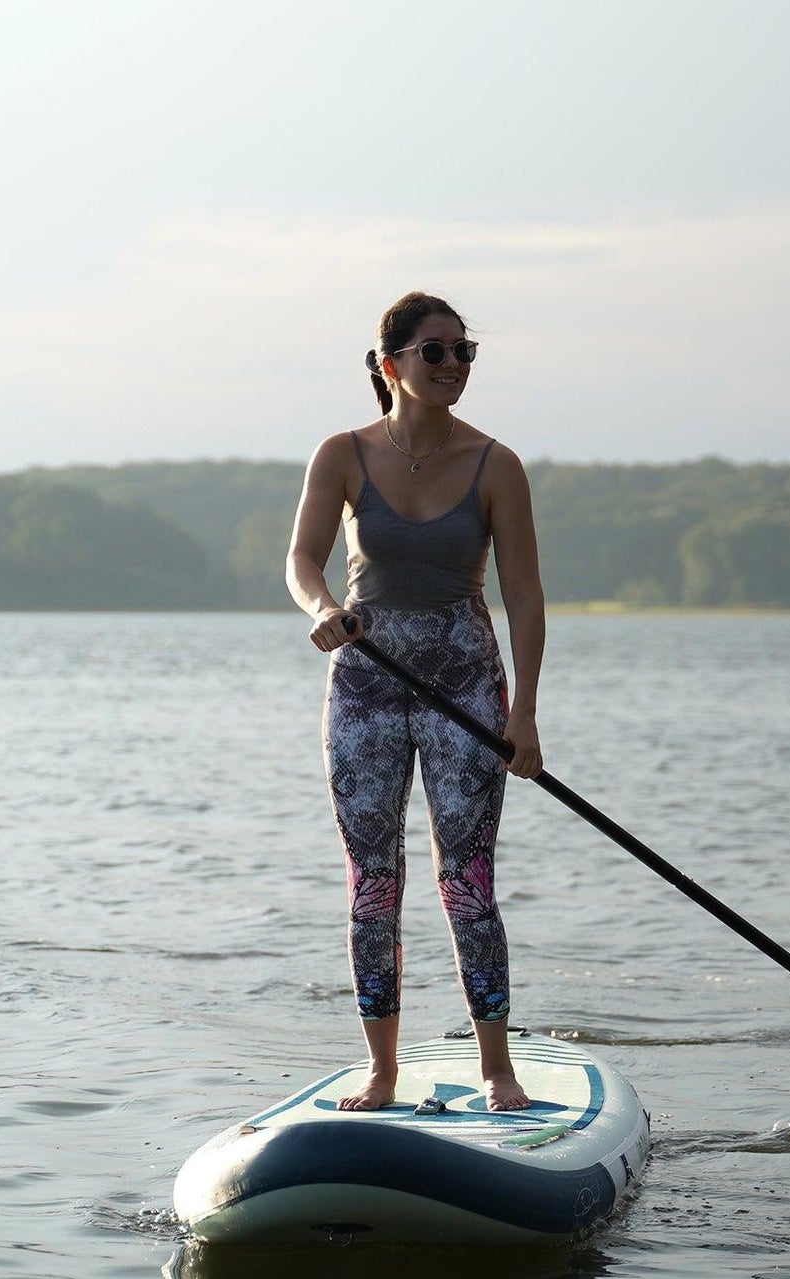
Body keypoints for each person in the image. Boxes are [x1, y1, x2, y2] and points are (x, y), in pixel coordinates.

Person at [285, 291, 546, 1112]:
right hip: (365, 682)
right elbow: (300, 559)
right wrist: (322, 610)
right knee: (372, 882)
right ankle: (381, 1070)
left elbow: (527, 600)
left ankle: (496, 1068)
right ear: (389, 362)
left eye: (464, 351)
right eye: (435, 351)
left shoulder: (495, 463)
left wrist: (524, 712)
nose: (453, 365)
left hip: (464, 683)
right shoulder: (341, 453)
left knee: (466, 879)